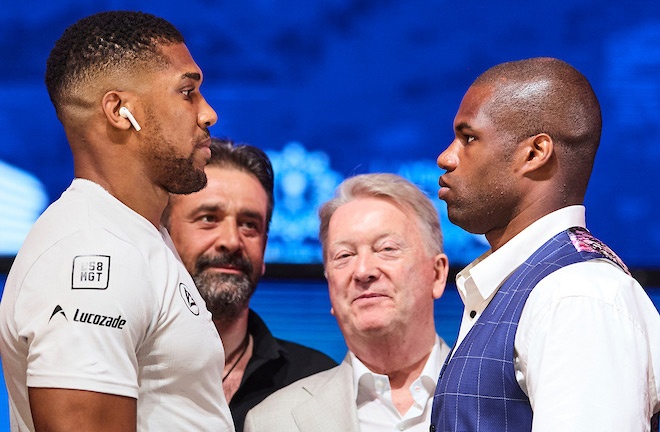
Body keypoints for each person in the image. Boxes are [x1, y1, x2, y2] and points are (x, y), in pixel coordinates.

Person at [0, 11, 234, 431]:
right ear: (120, 110)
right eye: (187, 92)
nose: (208, 113)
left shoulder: (132, 235)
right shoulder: (91, 251)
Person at [430, 57, 660, 431]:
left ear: (535, 154)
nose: (446, 157)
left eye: (469, 138)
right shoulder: (544, 288)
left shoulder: (576, 297)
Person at [244, 173, 452, 432]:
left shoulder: (504, 391)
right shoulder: (272, 422)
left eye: (386, 249)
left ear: (438, 274)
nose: (363, 271)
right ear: (330, 286)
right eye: (345, 255)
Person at [162, 137, 337, 432]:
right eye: (209, 218)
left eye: (249, 225)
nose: (232, 241)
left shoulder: (318, 383)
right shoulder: (123, 370)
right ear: (163, 236)